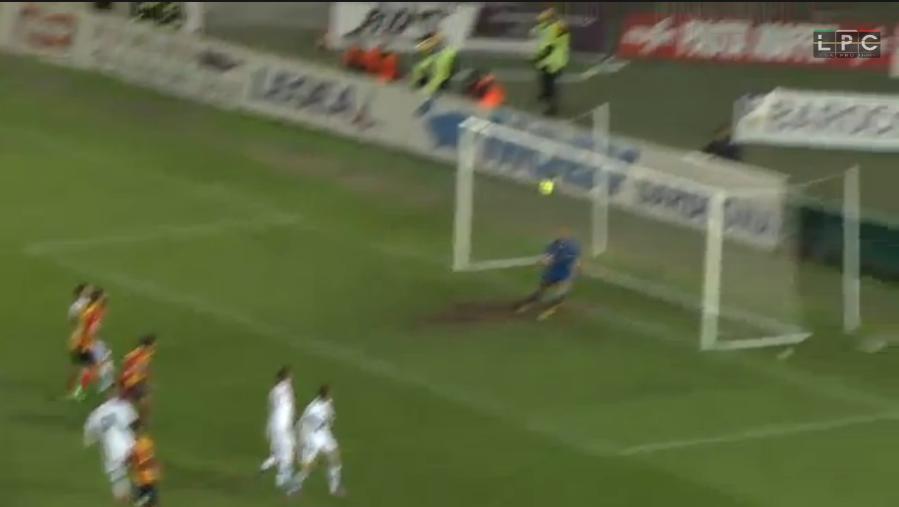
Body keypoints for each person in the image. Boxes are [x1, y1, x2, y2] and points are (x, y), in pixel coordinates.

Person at [84, 387, 139, 503]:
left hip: (113, 458)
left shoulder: (94, 415)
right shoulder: (123, 406)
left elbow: (89, 439)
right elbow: (135, 426)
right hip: (131, 449)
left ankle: (130, 495)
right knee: (142, 483)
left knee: (121, 495)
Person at [514, 227, 581, 320]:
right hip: (556, 272)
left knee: (557, 292)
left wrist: (540, 264)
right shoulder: (558, 245)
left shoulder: (568, 247)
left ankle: (547, 310)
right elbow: (548, 258)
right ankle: (529, 305)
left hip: (562, 274)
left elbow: (573, 261)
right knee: (545, 290)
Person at [294, 384, 345, 497]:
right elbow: (301, 423)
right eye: (329, 393)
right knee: (309, 467)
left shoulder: (328, 403)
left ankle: (334, 487)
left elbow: (330, 418)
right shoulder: (313, 409)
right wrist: (300, 441)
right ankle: (294, 484)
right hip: (313, 437)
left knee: (334, 457)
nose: (331, 395)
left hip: (325, 435)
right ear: (325, 394)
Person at [260, 366, 299, 496]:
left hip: (275, 426)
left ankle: (266, 466)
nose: (292, 378)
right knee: (287, 455)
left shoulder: (274, 391)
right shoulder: (288, 389)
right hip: (282, 427)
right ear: (286, 378)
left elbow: (274, 409)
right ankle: (285, 485)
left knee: (283, 452)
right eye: (290, 376)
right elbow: (290, 408)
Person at [69, 287, 107, 400]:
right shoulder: (94, 312)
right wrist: (89, 344)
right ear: (98, 298)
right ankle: (78, 392)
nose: (106, 297)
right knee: (92, 368)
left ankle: (73, 391)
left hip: (79, 342)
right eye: (103, 296)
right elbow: (90, 329)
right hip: (84, 344)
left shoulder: (90, 309)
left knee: (78, 367)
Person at [532, 9, 570, 116]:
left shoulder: (558, 28)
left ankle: (550, 105)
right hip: (546, 61)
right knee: (545, 81)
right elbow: (540, 37)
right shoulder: (545, 27)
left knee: (550, 84)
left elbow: (550, 46)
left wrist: (538, 58)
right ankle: (545, 97)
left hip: (554, 61)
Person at [120, 334, 157, 419]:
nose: (155, 346)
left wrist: (146, 379)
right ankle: (136, 421)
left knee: (146, 402)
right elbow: (128, 365)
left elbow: (145, 368)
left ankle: (140, 421)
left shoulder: (147, 353)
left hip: (137, 381)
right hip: (131, 382)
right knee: (125, 403)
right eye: (153, 344)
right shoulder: (137, 355)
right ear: (148, 345)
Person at [129, 418, 161, 507]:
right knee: (150, 503)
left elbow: (151, 459)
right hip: (143, 480)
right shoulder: (143, 443)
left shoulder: (140, 444)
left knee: (150, 503)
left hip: (145, 480)